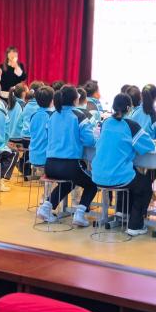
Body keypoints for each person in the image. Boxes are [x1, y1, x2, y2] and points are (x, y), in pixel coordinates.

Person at [87, 93, 156, 235]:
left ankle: (121, 212)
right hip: (117, 176)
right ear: (129, 108)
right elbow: (149, 146)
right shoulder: (131, 125)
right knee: (144, 185)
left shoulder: (106, 122)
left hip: (97, 174)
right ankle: (135, 226)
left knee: (132, 175)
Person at [40, 85, 96, 227]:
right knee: (93, 183)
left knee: (69, 182)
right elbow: (89, 140)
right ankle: (80, 213)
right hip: (69, 165)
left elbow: (48, 135)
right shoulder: (79, 116)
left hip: (50, 165)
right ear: (75, 99)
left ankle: (46, 207)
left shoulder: (52, 115)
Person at [27, 86, 54, 172]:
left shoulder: (34, 115)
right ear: (52, 100)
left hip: (33, 156)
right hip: (46, 158)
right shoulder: (52, 116)